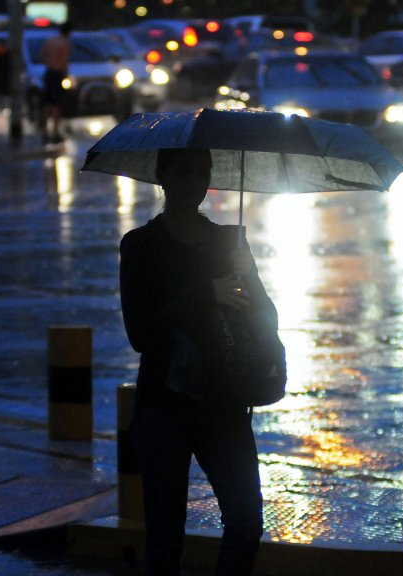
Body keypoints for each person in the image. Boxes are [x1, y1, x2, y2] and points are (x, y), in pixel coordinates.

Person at [118, 148, 269, 576]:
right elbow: (140, 334)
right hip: (164, 409)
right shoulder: (141, 246)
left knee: (246, 522)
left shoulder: (228, 242)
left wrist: (250, 281)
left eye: (201, 172)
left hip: (224, 406)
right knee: (165, 539)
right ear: (162, 176)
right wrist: (206, 295)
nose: (193, 181)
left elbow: (264, 320)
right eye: (182, 172)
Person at [38, 21, 72, 143]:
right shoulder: (65, 43)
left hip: (49, 73)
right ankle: (55, 132)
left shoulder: (51, 40)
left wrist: (49, 63)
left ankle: (45, 133)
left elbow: (41, 56)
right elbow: (64, 62)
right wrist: (66, 75)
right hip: (57, 74)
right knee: (57, 104)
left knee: (47, 104)